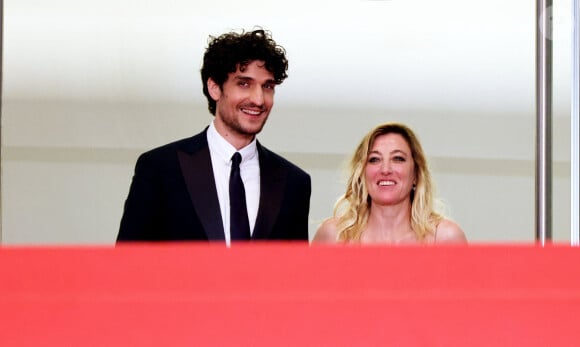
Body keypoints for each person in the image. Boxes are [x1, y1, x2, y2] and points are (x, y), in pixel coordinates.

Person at [117, 28, 311, 244]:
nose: (258, 99)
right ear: (214, 88)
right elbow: (127, 266)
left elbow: (295, 274)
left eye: (267, 86)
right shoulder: (160, 169)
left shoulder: (294, 182)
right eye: (244, 83)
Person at [312, 122, 467, 245]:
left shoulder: (445, 238)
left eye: (398, 158)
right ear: (362, 174)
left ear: (416, 174)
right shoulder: (333, 235)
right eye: (374, 159)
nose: (385, 169)